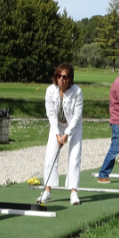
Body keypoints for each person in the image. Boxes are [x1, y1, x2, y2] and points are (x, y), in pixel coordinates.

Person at [36, 63, 84, 206]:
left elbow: (76, 116)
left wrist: (66, 135)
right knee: (50, 157)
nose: (61, 79)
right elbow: (51, 114)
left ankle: (73, 192)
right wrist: (58, 134)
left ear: (70, 78)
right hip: (57, 126)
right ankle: (47, 191)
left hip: (74, 127)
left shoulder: (77, 91)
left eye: (65, 77)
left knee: (74, 157)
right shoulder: (50, 90)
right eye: (59, 76)